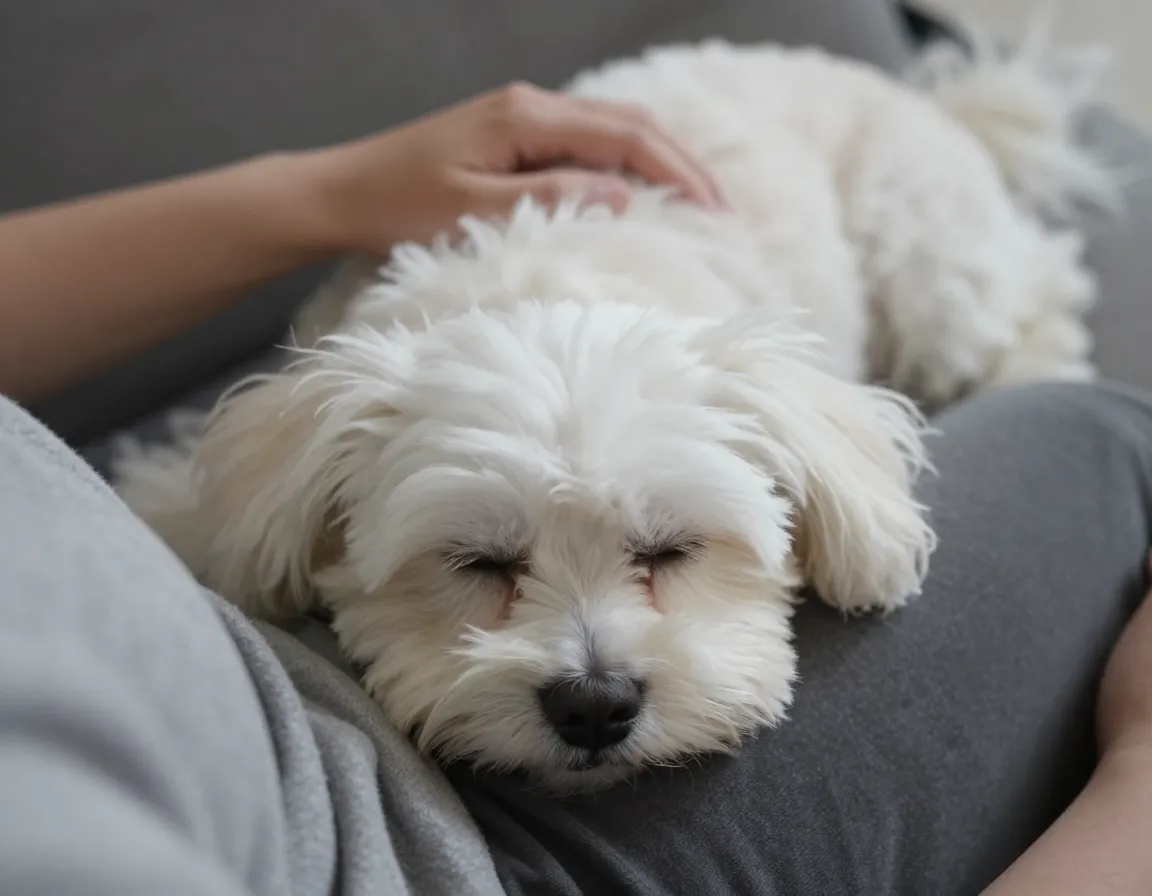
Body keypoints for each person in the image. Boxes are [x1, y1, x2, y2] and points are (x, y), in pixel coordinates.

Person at [0, 83, 1149, 896]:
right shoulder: (353, 431)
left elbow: (879, 541)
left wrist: (334, 191)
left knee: (983, 327)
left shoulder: (741, 385)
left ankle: (1022, 290)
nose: (590, 675)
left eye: (666, 555)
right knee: (1108, 431)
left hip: (857, 141)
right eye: (483, 565)